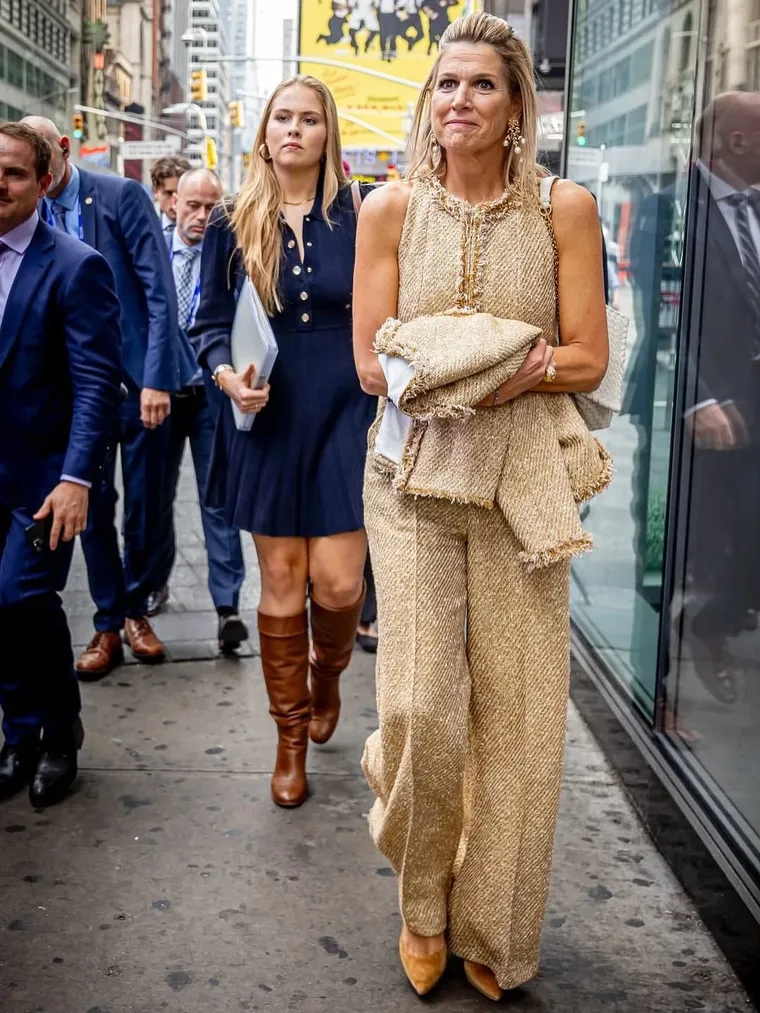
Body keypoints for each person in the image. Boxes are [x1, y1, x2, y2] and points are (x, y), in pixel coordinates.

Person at [353, 12, 608, 999]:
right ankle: (422, 902)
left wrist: (461, 364)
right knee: (422, 708)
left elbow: (583, 355)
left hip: (519, 489)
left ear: (515, 108)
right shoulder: (389, 208)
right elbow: (375, 361)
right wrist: (507, 354)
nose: (458, 100)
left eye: (481, 86)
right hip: (409, 482)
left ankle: (488, 922)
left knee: (517, 719)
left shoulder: (563, 208)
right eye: (445, 84)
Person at [192, 75, 376, 809]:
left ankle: (326, 674)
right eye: (281, 118)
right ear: (263, 133)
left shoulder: (361, 214)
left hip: (347, 411)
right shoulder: (233, 221)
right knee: (279, 580)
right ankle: (289, 736)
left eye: (309, 119)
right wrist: (224, 376)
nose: (294, 129)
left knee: (337, 583)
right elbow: (206, 323)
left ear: (328, 134)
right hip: (264, 414)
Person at [21, 117, 179, 678]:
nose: (34, 177)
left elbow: (159, 290)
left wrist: (157, 378)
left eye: (42, 162)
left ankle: (139, 604)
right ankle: (111, 621)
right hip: (76, 392)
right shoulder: (23, 209)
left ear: (63, 150)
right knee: (93, 504)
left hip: (138, 384)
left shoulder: (119, 195)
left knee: (147, 506)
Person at [0, 122, 121, 807]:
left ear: (44, 182)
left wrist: (76, 477)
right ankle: (18, 735)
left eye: (15, 173)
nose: (0, 184)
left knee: (20, 599)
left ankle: (58, 729)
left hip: (45, 481)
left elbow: (97, 382)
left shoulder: (76, 265)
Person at [677, 91, 760, 704]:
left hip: (753, 403)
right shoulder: (675, 206)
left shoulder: (755, 209)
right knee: (692, 546)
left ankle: (715, 623)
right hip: (706, 414)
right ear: (738, 141)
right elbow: (656, 313)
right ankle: (664, 686)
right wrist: (697, 398)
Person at [149, 167, 248, 652]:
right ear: (174, 204)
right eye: (193, 205)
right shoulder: (151, 254)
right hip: (162, 396)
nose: (202, 216)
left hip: (212, 397)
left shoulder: (232, 256)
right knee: (155, 497)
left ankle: (228, 606)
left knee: (219, 501)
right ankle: (152, 583)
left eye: (212, 207)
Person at [151, 155, 192, 242]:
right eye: (168, 194)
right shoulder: (146, 230)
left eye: (180, 193)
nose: (175, 202)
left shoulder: (204, 232)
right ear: (155, 192)